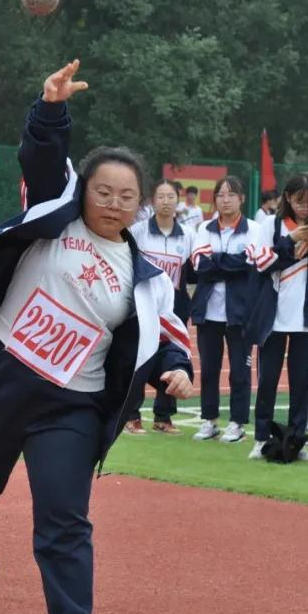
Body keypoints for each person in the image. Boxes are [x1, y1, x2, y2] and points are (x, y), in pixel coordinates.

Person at [0, 60, 195, 614]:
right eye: (104, 191)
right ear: (86, 191)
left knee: (63, 518)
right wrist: (51, 110)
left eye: (127, 197)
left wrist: (175, 368)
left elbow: (166, 336)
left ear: (140, 204)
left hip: (71, 403)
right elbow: (43, 156)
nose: (114, 204)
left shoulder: (144, 276)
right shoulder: (56, 215)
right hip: (3, 375)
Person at [246, 175, 308, 461]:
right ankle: (261, 437)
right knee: (267, 382)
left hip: (307, 319)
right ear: (287, 198)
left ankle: (298, 441)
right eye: (299, 201)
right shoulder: (270, 226)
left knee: (302, 383)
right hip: (272, 318)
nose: (305, 207)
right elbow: (261, 263)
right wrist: (291, 241)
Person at [189, 176, 260, 442]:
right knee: (208, 369)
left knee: (240, 371)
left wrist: (217, 262)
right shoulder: (204, 229)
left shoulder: (254, 229)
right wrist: (229, 264)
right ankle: (209, 420)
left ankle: (237, 423)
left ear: (241, 198)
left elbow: (249, 262)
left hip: (240, 312)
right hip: (208, 311)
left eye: (231, 194)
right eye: (220, 194)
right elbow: (199, 264)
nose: (225, 199)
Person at [123, 179, 196, 434]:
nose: (166, 201)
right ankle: (132, 415)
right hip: (142, 306)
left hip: (173, 304)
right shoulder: (139, 231)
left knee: (173, 356)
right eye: (161, 196)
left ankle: (163, 417)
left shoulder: (188, 235)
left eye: (171, 196)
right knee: (139, 355)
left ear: (178, 201)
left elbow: (189, 270)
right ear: (153, 201)